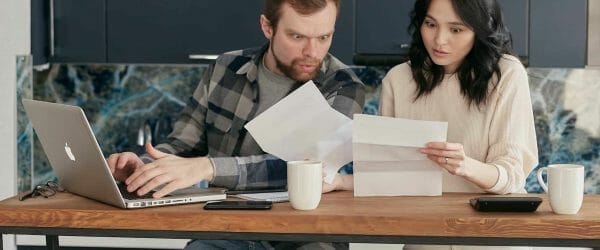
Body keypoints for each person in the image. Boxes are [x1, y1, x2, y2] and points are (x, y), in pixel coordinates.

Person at [107, 0, 362, 249]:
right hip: (226, 230)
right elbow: (182, 146)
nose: (312, 52)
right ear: (267, 27)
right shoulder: (224, 68)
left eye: (323, 37)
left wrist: (208, 168)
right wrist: (143, 169)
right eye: (297, 37)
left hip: (305, 235)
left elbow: (304, 169)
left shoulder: (344, 87)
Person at [379, 0, 538, 249]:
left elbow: (512, 174)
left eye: (456, 29)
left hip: (494, 236)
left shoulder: (507, 74)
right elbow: (385, 173)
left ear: (480, 29)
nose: (439, 40)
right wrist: (340, 183)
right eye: (430, 24)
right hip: (426, 235)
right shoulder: (398, 80)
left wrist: (466, 166)